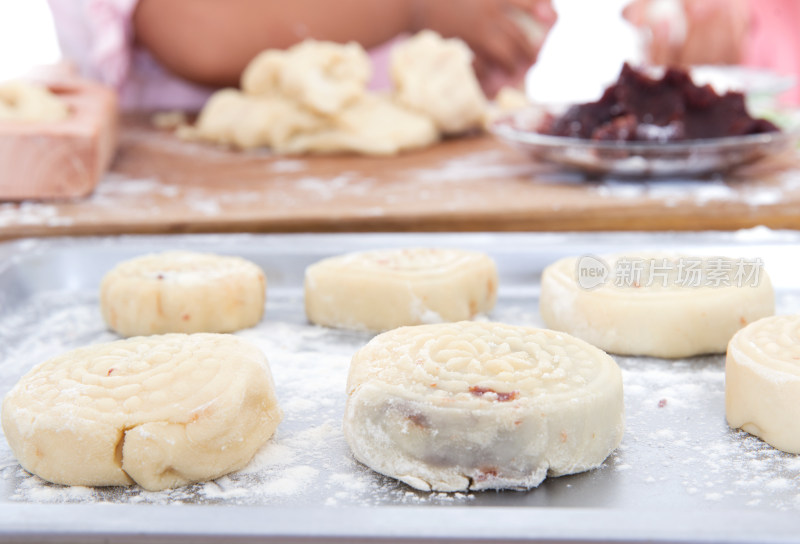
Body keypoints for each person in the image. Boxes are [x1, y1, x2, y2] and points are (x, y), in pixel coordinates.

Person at [47, 0, 556, 110]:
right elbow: (200, 34)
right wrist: (417, 8)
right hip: (184, 209)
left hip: (406, 189)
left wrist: (498, 31)